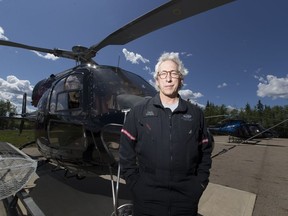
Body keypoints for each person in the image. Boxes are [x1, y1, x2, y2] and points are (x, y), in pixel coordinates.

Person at [119, 52, 213, 216]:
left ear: (181, 78)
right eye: (163, 74)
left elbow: (205, 151)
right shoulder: (138, 112)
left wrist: (199, 184)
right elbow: (125, 151)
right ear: (157, 80)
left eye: (173, 73)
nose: (168, 78)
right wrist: (135, 184)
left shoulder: (196, 114)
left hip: (185, 200)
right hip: (146, 198)